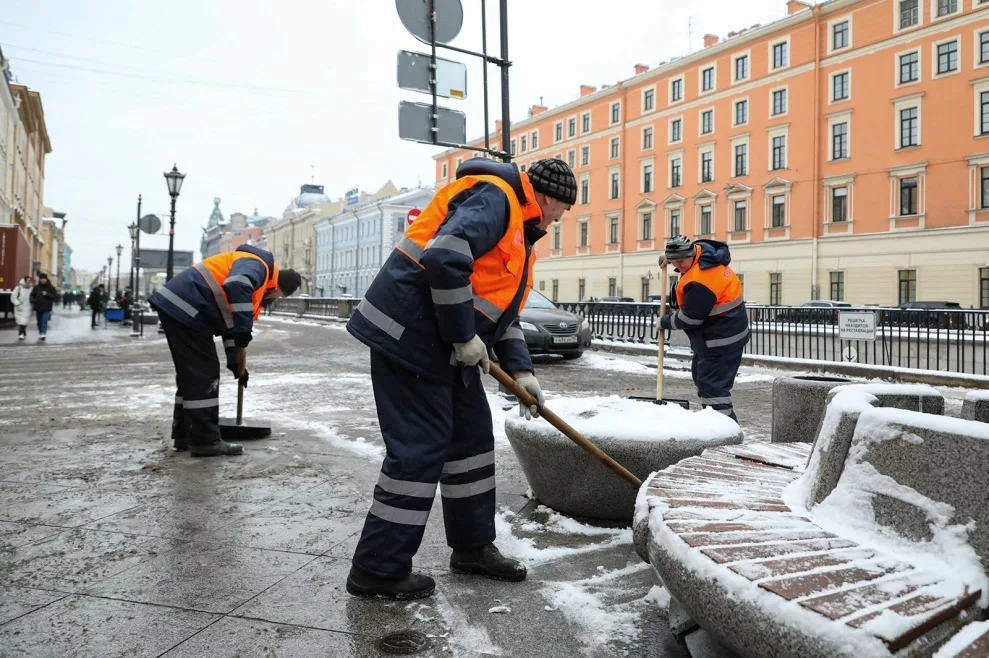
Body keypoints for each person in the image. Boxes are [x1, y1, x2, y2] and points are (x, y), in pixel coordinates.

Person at [345, 157, 576, 600]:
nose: (560, 218)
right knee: (419, 451)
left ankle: (472, 547)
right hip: (410, 338)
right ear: (549, 198)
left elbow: (500, 312)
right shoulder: (497, 199)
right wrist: (462, 335)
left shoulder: (520, 234)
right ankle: (377, 569)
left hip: (445, 347)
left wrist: (522, 370)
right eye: (562, 209)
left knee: (470, 442)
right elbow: (444, 257)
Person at [148, 245, 301, 457]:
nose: (276, 300)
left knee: (192, 376)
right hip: (187, 309)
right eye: (281, 296)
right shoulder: (258, 267)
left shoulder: (256, 279)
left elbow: (230, 325)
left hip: (183, 308)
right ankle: (205, 442)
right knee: (204, 375)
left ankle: (185, 435)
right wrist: (244, 329)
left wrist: (236, 364)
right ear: (279, 287)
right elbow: (236, 285)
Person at [658, 236, 749, 422]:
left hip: (721, 341)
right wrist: (667, 258)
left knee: (713, 390)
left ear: (691, 255)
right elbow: (683, 256)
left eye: (680, 262)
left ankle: (725, 434)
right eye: (674, 261)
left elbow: (690, 318)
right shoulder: (705, 255)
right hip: (718, 337)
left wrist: (664, 322)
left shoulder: (700, 281)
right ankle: (717, 426)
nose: (678, 266)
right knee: (702, 379)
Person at [30, 273, 57, 340]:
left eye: (44, 278)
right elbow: (32, 295)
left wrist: (47, 294)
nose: (43, 280)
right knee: (39, 321)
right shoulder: (36, 287)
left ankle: (43, 333)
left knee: (44, 320)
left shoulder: (51, 287)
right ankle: (41, 331)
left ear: (46, 279)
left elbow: (55, 296)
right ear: (40, 279)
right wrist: (33, 301)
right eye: (41, 278)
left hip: (47, 307)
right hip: (38, 307)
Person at [11, 276, 34, 340]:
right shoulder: (18, 288)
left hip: (28, 307)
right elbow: (13, 297)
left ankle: (23, 332)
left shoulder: (31, 288)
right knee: (22, 321)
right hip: (20, 307)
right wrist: (17, 303)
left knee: (25, 321)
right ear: (24, 280)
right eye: (27, 280)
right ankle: (20, 334)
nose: (28, 281)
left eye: (30, 280)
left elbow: (33, 297)